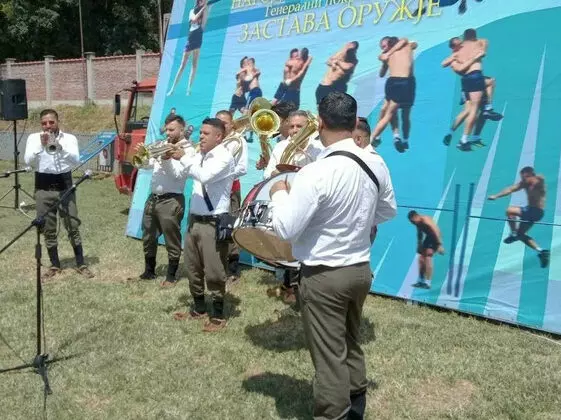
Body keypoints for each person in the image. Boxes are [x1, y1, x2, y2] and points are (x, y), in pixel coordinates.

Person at [269, 92, 397, 419]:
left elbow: (284, 228)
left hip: (324, 275)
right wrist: (354, 221)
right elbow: (387, 211)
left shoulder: (315, 172)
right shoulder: (375, 162)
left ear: (320, 123)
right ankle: (356, 407)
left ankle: (333, 413)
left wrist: (279, 193)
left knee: (328, 356)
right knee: (349, 340)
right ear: (354, 123)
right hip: (359, 269)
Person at [172, 118, 235, 332]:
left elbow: (204, 176)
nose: (201, 136)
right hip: (195, 220)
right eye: (201, 133)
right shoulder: (200, 154)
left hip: (213, 222)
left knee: (214, 270)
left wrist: (184, 157)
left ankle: (217, 314)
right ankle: (199, 308)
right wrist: (169, 158)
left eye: (206, 133)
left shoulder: (224, 156)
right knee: (192, 267)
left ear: (218, 136)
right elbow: (182, 173)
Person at [24, 109, 94, 280]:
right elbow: (28, 162)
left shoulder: (69, 138)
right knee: (48, 228)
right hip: (43, 187)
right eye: (44, 123)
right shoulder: (33, 138)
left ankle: (81, 263)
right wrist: (41, 146)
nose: (48, 126)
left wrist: (60, 148)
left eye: (51, 122)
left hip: (65, 186)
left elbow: (76, 160)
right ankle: (55, 264)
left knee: (72, 225)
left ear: (57, 122)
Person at [137, 114, 194, 287]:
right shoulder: (162, 144)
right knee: (148, 236)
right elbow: (147, 166)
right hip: (153, 198)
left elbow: (177, 176)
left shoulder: (188, 150)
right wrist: (142, 156)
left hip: (171, 200)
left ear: (182, 130)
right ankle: (149, 271)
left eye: (171, 130)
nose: (167, 133)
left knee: (171, 239)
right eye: (166, 129)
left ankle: (171, 276)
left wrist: (166, 159)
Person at [441, 35, 502, 149]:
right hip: (469, 85)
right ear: (454, 47)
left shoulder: (463, 51)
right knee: (470, 110)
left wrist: (481, 51)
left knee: (473, 110)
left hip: (474, 83)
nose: (462, 45)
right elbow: (450, 65)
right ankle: (458, 135)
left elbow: (483, 41)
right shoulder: (454, 57)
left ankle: (463, 134)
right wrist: (474, 58)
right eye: (459, 44)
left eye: (461, 42)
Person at [488, 167, 550, 268]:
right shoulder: (525, 183)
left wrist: (538, 178)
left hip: (535, 211)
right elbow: (510, 189)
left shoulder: (538, 181)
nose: (522, 179)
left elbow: (540, 181)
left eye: (524, 177)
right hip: (532, 212)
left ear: (529, 175)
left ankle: (513, 234)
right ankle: (541, 251)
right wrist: (496, 196)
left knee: (510, 210)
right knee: (521, 235)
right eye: (522, 177)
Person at [216, 109, 249, 279]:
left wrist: (220, 174)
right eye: (218, 122)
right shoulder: (213, 139)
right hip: (212, 190)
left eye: (225, 123)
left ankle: (233, 267)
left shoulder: (238, 141)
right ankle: (217, 263)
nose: (221, 126)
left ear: (232, 124)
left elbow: (242, 168)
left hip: (230, 189)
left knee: (230, 225)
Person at [370, 36, 417, 153]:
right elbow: (381, 73)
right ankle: (376, 138)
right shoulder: (406, 47)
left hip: (396, 82)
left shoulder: (403, 46)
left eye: (384, 46)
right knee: (390, 112)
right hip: (404, 82)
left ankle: (399, 139)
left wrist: (386, 55)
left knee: (392, 113)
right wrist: (384, 60)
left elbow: (406, 41)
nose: (383, 49)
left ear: (390, 44)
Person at [167, 0, 211, 96]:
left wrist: (206, 8)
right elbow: (194, 19)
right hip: (190, 39)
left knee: (194, 65)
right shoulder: (191, 11)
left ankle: (189, 89)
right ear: (198, 2)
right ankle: (172, 89)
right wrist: (202, 9)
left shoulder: (204, 11)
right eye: (201, 1)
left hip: (198, 39)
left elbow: (204, 23)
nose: (203, 2)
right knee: (182, 65)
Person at [255, 101, 298, 173]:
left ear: (287, 121)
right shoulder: (277, 139)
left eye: (276, 119)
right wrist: (268, 163)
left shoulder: (298, 141)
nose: (272, 122)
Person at [407, 211, 444, 289]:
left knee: (428, 257)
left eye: (413, 221)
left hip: (434, 238)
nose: (412, 223)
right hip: (428, 238)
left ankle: (428, 282)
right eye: (411, 222)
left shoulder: (425, 220)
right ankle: (421, 281)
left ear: (416, 216)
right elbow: (419, 234)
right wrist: (419, 245)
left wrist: (439, 244)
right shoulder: (418, 223)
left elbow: (436, 230)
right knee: (421, 259)